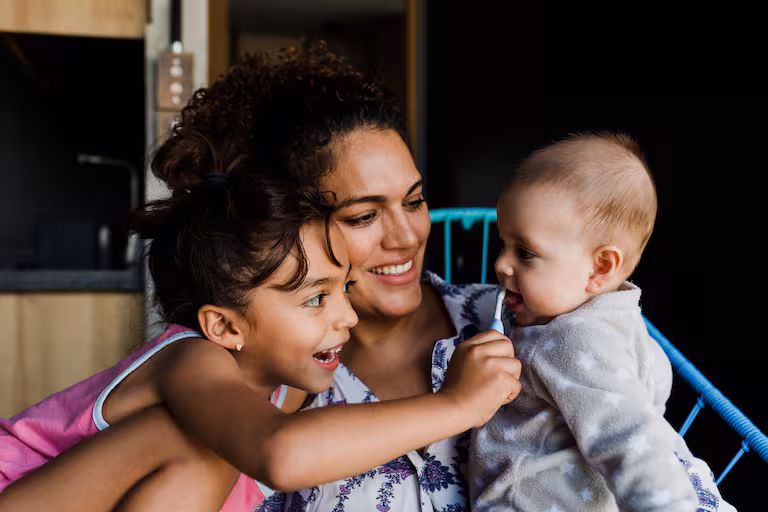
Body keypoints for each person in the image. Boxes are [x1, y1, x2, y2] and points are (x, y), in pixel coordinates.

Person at [0, 156, 522, 509]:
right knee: (202, 445)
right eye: (316, 298)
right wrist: (457, 405)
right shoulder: (192, 361)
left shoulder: (279, 384)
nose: (347, 317)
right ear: (225, 326)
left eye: (343, 289)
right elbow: (282, 453)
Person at [143, 42, 519, 511]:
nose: (406, 236)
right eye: (363, 216)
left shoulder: (517, 320)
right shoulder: (261, 381)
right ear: (294, 229)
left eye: (414, 201)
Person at [469, 132, 736, 511]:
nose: (500, 264)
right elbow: (652, 381)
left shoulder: (573, 341)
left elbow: (629, 439)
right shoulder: (619, 318)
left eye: (525, 253)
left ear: (600, 268)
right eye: (502, 243)